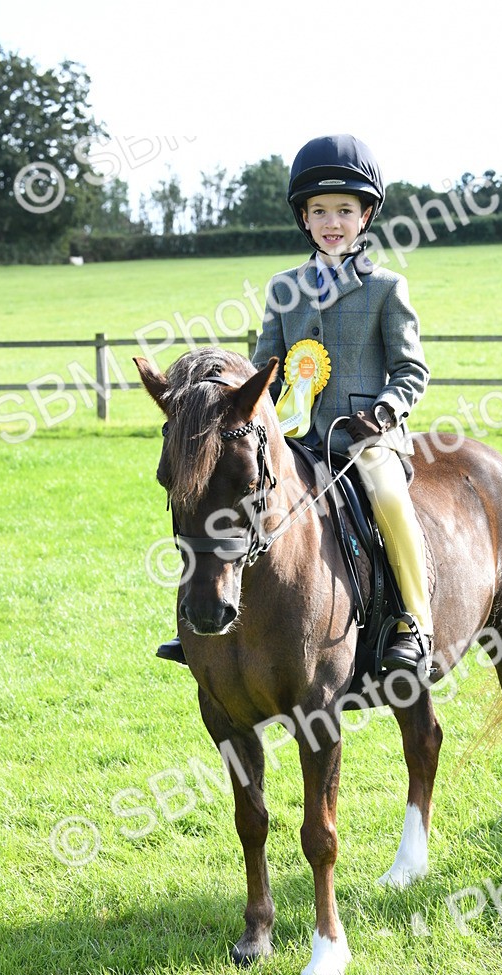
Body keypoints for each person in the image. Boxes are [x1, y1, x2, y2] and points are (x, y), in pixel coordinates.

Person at [157, 133, 433, 675]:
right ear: (304, 219)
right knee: (222, 493)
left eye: (345, 211)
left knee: (389, 498)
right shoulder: (284, 287)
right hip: (294, 437)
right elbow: (261, 368)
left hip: (366, 439)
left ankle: (411, 623)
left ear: (366, 216)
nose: (333, 221)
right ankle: (199, 617)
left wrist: (382, 412)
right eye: (320, 211)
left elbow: (411, 370)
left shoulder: (386, 288)